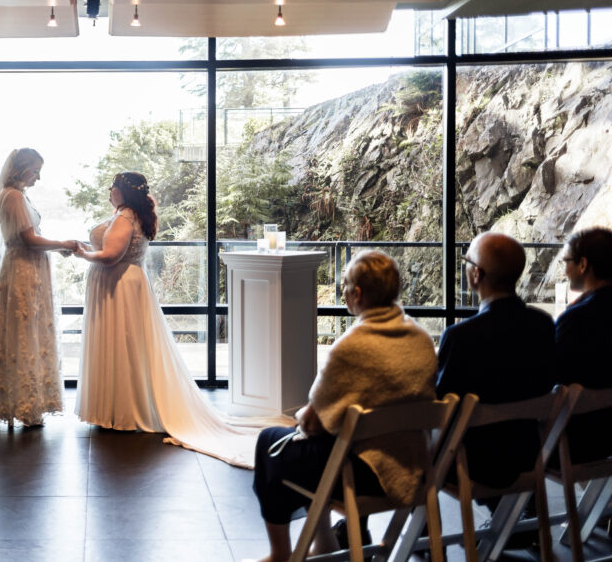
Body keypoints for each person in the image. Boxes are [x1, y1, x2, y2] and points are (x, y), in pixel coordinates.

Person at [74, 171, 277, 466]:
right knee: (129, 347)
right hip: (127, 284)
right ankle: (123, 406)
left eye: (113, 187)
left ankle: (123, 410)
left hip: (119, 286)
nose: (109, 190)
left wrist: (83, 254)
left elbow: (109, 256)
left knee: (122, 345)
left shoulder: (124, 217)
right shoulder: (131, 215)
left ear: (123, 192)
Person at [251, 250, 437, 562]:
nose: (344, 293)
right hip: (414, 464)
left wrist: (301, 415)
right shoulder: (421, 339)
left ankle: (280, 553)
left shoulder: (351, 347)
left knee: (270, 443)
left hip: (364, 472)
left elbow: (311, 422)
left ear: (358, 293)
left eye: (345, 286)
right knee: (322, 445)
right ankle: (325, 543)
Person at [436, 231, 556, 493]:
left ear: (476, 274)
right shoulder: (543, 325)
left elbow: (442, 405)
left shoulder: (461, 336)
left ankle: (424, 528)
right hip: (529, 454)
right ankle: (514, 525)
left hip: (469, 463)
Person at [0, 148, 78, 427]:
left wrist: (57, 249)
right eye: (35, 171)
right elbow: (28, 239)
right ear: (21, 169)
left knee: (30, 334)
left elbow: (30, 237)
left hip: (29, 267)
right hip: (23, 269)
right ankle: (24, 405)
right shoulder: (12, 196)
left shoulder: (18, 195)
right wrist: (63, 244)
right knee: (24, 334)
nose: (38, 177)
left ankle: (29, 402)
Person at [555, 227, 612, 462]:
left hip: (582, 439)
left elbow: (555, 377)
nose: (565, 269)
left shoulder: (576, 319)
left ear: (583, 264)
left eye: (566, 261)